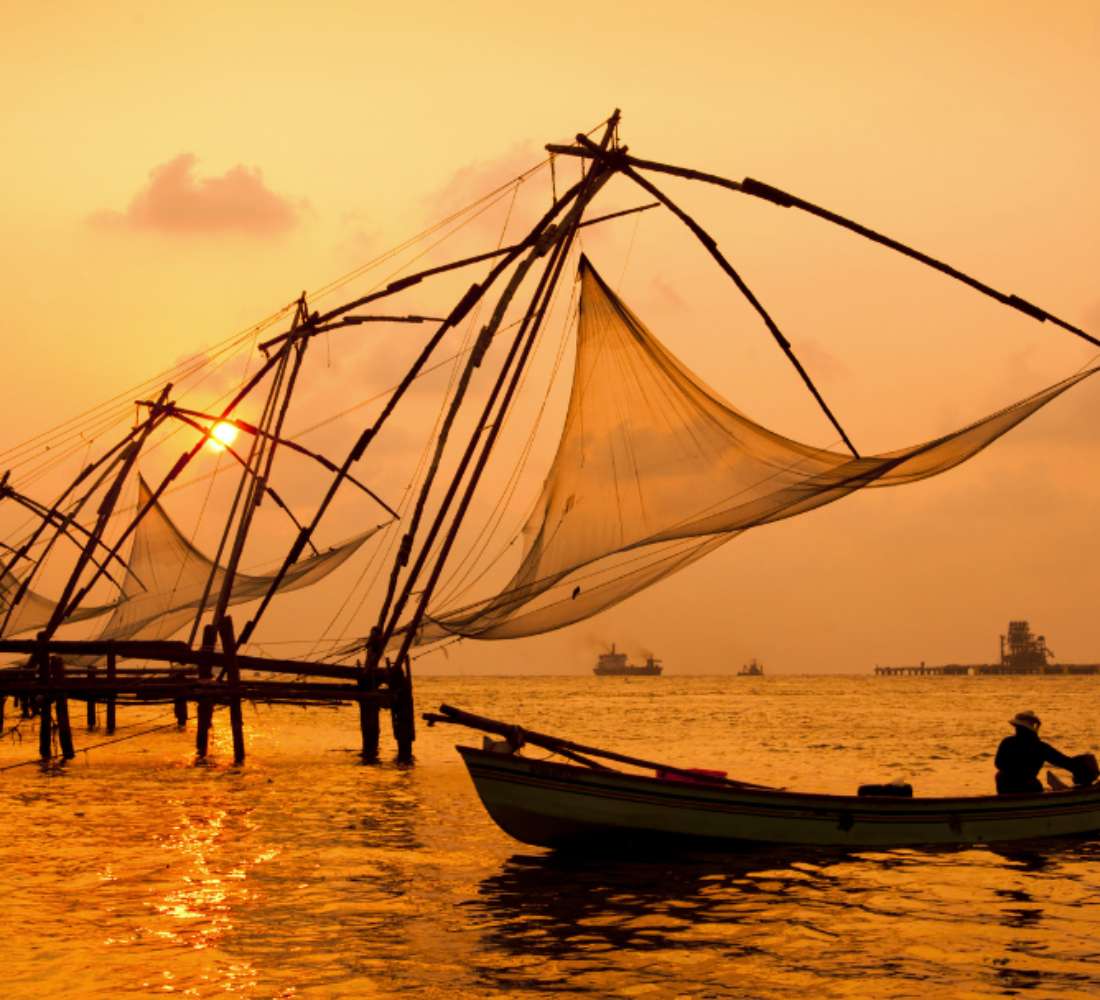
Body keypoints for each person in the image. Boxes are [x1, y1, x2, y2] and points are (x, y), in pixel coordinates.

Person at [994, 710, 1075, 794]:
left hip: (1005, 787)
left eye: (1017, 728)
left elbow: (998, 764)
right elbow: (1063, 761)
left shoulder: (1007, 742)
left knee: (1000, 775)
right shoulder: (1040, 747)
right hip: (1029, 787)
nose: (1016, 730)